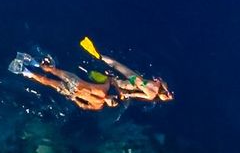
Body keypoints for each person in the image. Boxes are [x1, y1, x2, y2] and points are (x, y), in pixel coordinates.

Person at [9, 35, 172, 110]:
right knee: (53, 71)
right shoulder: (105, 90)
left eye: (113, 102)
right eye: (115, 100)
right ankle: (32, 62)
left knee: (47, 80)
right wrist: (119, 88)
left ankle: (25, 70)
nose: (113, 101)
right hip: (76, 82)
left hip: (72, 89)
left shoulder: (98, 104)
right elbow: (115, 76)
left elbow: (83, 106)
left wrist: (74, 99)